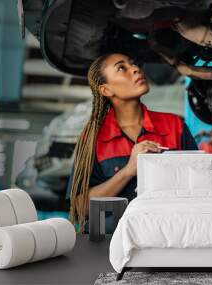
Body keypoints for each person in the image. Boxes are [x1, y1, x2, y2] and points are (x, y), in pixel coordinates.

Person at [66, 53, 198, 231]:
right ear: (106, 90)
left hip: (163, 239)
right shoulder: (92, 139)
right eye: (122, 68)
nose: (136, 69)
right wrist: (128, 171)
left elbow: (198, 188)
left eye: (134, 64)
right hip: (108, 245)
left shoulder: (175, 125)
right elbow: (80, 209)